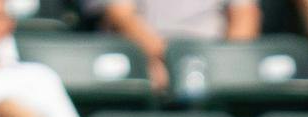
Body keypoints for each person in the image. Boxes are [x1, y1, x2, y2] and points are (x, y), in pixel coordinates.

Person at [79, 0, 262, 97]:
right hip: (147, 57)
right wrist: (174, 61)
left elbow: (245, 16)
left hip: (211, 57)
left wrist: (226, 64)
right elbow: (121, 16)